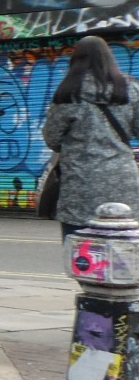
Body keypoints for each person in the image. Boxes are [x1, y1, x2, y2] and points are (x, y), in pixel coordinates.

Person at [42, 35, 139, 236]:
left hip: (80, 184)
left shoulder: (68, 93)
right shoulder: (130, 88)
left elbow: (52, 138)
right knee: (124, 244)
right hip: (123, 181)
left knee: (79, 246)